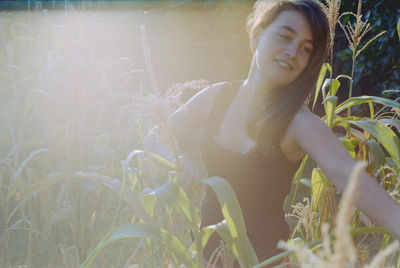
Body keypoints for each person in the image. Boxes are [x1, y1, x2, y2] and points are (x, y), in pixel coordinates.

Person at [144, 0, 400, 266]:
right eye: (284, 36)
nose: (292, 51)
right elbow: (156, 135)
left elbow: (352, 179)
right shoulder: (216, 98)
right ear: (257, 33)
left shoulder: (298, 122)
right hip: (204, 258)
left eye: (305, 49)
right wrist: (176, 159)